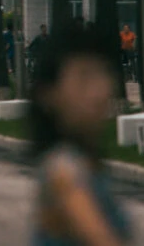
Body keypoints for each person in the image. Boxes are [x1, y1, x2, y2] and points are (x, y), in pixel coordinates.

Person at [30, 27, 131, 246]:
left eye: (103, 73)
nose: (99, 91)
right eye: (84, 77)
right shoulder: (64, 168)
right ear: (49, 94)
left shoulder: (85, 161)